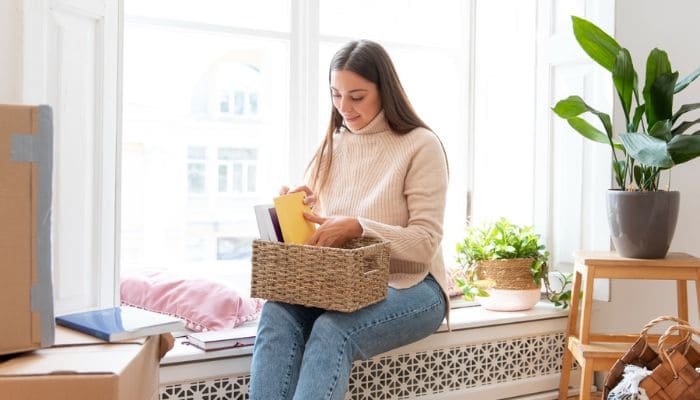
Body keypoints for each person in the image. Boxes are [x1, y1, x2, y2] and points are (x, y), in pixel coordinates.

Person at [249, 39, 450, 400]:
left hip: (416, 286)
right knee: (277, 312)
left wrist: (360, 225)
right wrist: (303, 209)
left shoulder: (421, 145)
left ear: (384, 91)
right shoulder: (333, 143)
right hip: (343, 286)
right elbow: (326, 236)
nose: (344, 107)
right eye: (335, 94)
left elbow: (424, 245)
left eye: (357, 97)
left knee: (332, 330)